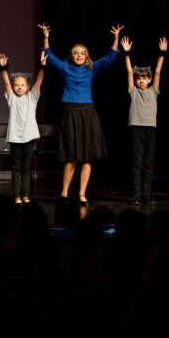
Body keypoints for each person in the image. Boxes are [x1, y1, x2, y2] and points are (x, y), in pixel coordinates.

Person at [40, 23, 122, 206]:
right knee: (72, 156)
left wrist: (116, 38)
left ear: (86, 56)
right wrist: (46, 36)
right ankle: (64, 193)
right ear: (71, 55)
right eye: (76, 52)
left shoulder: (91, 67)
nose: (79, 55)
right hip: (71, 112)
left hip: (88, 113)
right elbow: (50, 55)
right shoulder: (64, 68)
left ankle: (82, 194)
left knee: (87, 155)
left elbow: (109, 58)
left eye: (82, 53)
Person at [121, 35, 167, 205]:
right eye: (138, 78)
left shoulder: (153, 90)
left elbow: (158, 72)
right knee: (137, 162)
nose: (140, 80)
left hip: (150, 128)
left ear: (148, 80)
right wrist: (126, 55)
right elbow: (128, 71)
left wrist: (162, 54)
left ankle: (147, 194)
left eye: (144, 78)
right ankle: (136, 194)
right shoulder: (133, 91)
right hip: (136, 128)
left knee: (149, 163)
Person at [0, 51, 46, 204]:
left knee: (26, 169)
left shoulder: (32, 97)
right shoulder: (11, 98)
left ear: (27, 87)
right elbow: (6, 83)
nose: (19, 87)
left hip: (29, 137)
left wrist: (42, 66)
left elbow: (39, 81)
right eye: (16, 85)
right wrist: (4, 69)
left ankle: (25, 195)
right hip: (15, 138)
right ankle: (17, 196)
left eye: (22, 85)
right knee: (16, 168)